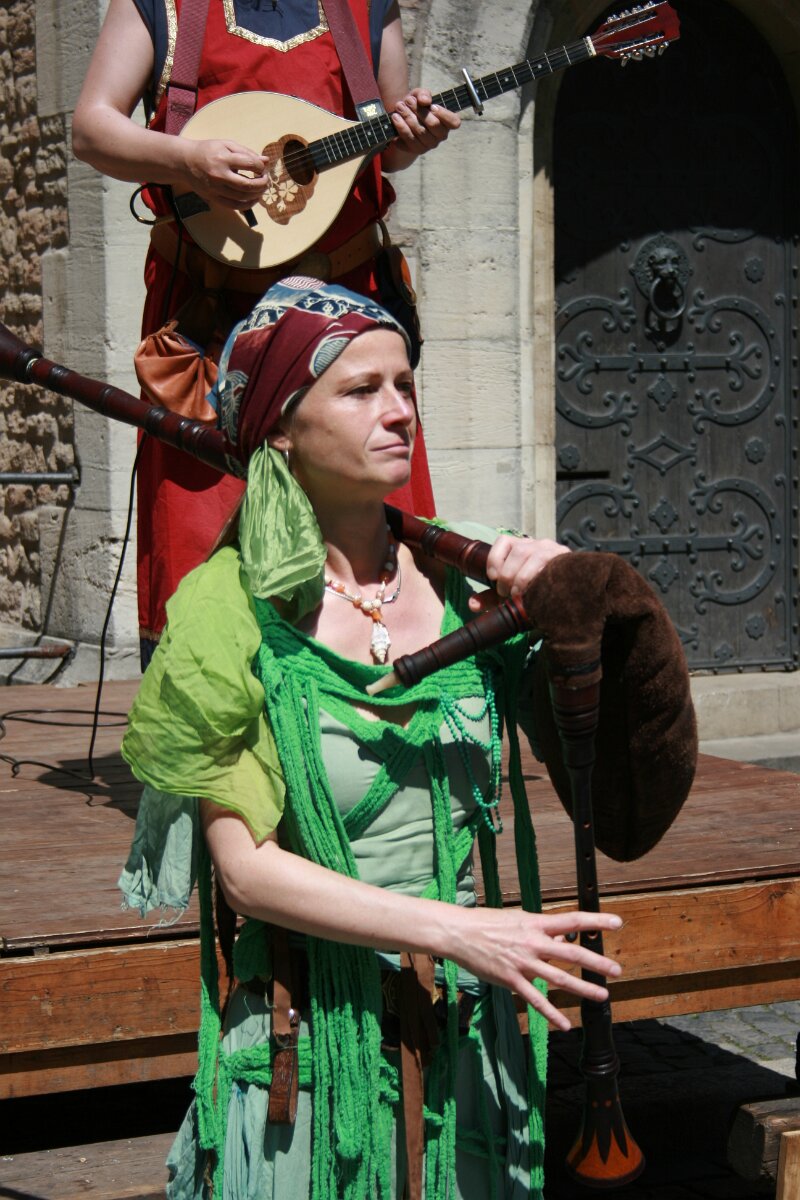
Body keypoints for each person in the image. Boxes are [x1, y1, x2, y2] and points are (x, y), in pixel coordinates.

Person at [118, 277, 624, 1200]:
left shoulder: (472, 573)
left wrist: (585, 613)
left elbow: (621, 773)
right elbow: (246, 871)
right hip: (309, 1055)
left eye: (405, 384)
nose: (399, 411)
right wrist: (460, 931)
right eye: (360, 389)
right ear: (280, 427)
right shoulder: (228, 611)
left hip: (469, 1043)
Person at [71, 0, 460, 664]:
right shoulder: (160, 5)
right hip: (212, 327)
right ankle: (213, 702)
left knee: (368, 526)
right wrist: (185, 159)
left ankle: (380, 696)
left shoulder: (369, 6)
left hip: (346, 322)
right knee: (203, 533)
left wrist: (414, 134)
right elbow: (92, 129)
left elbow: (386, 145)